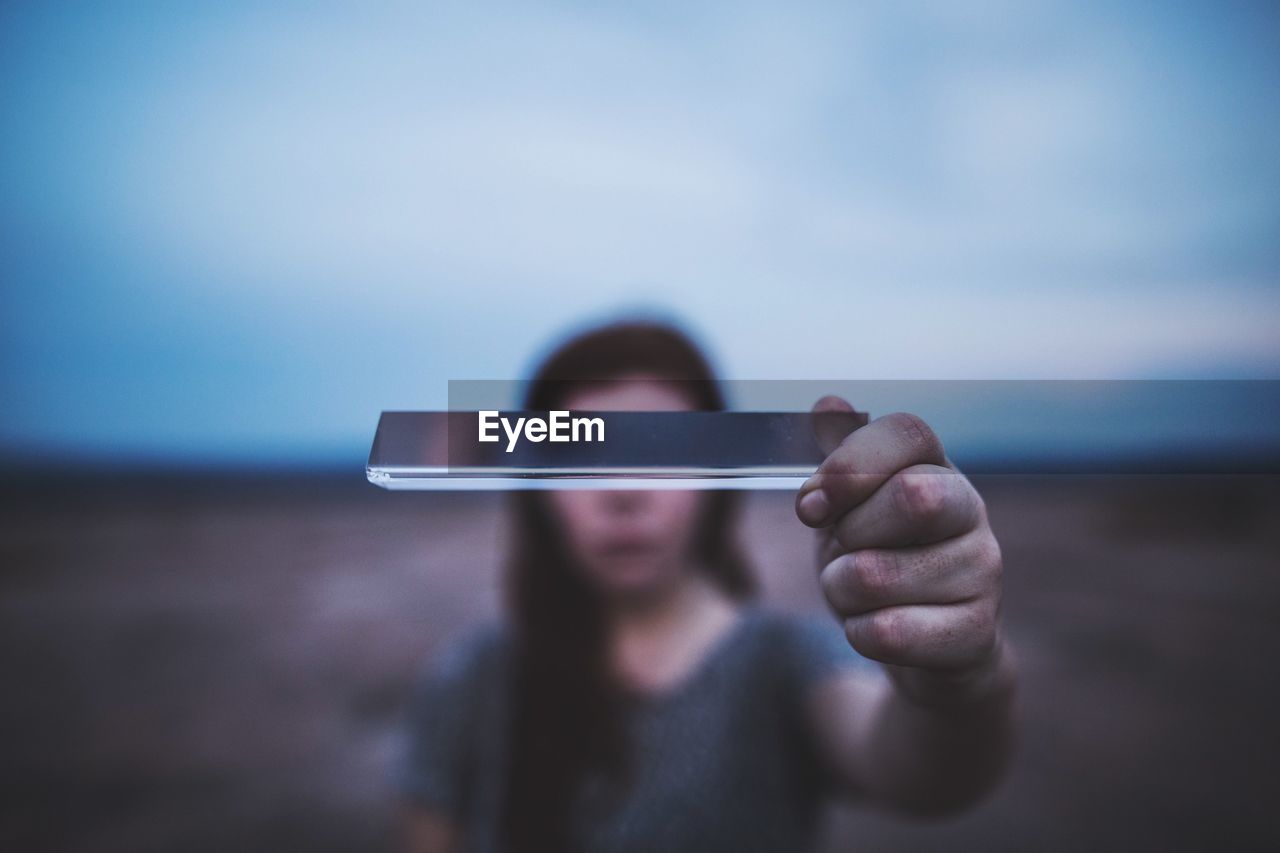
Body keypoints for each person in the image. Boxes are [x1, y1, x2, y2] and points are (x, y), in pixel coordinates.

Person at [397, 319, 1017, 853]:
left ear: (714, 484)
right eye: (582, 453)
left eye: (662, 452)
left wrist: (958, 677)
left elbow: (926, 772)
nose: (623, 493)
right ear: (537, 488)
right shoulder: (475, 674)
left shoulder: (782, 661)